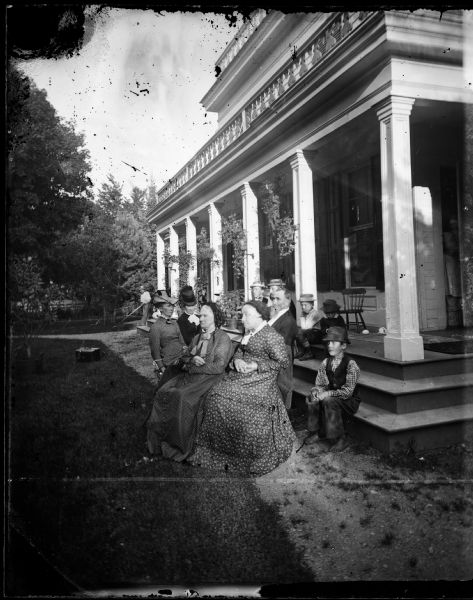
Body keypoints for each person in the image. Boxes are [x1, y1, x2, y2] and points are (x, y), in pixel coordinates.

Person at [189, 301, 296, 475]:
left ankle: (246, 457)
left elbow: (283, 362)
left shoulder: (271, 336)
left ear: (260, 317)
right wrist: (238, 359)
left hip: (261, 380)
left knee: (233, 403)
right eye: (242, 315)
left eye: (246, 315)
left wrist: (256, 365)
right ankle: (218, 453)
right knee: (216, 395)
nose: (242, 319)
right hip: (242, 375)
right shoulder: (249, 332)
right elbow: (240, 351)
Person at [146, 302, 234, 461]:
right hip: (191, 376)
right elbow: (185, 356)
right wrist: (192, 359)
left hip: (209, 379)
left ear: (216, 318)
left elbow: (219, 367)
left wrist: (192, 367)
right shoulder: (197, 337)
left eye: (205, 316)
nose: (201, 318)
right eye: (200, 315)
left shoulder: (223, 338)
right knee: (163, 392)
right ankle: (159, 442)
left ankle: (179, 446)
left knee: (182, 397)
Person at [305, 326, 361, 452]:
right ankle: (318, 432)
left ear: (343, 346)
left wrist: (327, 393)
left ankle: (341, 438)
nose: (330, 345)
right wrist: (317, 391)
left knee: (329, 400)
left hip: (349, 401)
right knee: (312, 397)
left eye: (334, 342)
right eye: (328, 342)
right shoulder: (326, 362)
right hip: (331, 397)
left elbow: (347, 392)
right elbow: (321, 383)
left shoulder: (351, 364)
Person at [268, 287, 298, 409]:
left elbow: (281, 347)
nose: (274, 302)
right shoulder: (275, 315)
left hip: (281, 355)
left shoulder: (288, 321)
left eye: (278, 299)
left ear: (288, 300)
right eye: (272, 298)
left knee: (282, 387)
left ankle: (283, 418)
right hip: (271, 355)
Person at [149, 293, 186, 388]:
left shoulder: (175, 323)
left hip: (182, 359)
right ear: (161, 309)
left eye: (172, 306)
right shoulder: (156, 327)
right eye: (168, 306)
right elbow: (155, 351)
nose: (172, 308)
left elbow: (182, 342)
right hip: (169, 364)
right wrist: (162, 368)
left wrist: (187, 353)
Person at [295, 293, 325, 361]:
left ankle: (309, 352)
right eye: (302, 305)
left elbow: (306, 326)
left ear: (312, 305)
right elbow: (302, 326)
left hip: (317, 335)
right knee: (297, 331)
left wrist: (302, 317)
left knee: (300, 332)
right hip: (309, 333)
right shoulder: (305, 313)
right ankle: (301, 351)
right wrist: (302, 316)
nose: (303, 307)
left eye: (305, 305)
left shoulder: (315, 314)